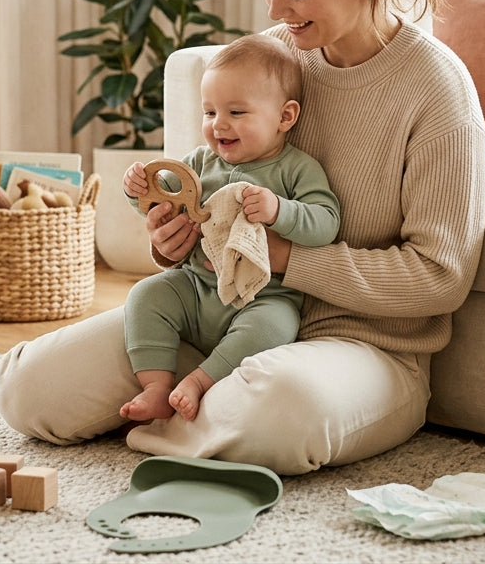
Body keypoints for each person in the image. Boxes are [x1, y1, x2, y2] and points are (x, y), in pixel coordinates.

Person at [0, 0, 485, 476]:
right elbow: (208, 186)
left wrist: (283, 256)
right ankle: (201, 412)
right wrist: (172, 239)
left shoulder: (436, 90)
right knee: (29, 392)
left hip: (362, 349)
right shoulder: (277, 58)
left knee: (282, 410)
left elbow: (439, 279)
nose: (278, 9)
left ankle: (193, 418)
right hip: (220, 314)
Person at [119, 33, 340, 423]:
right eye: (209, 113)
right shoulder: (202, 163)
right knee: (146, 295)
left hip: (260, 295)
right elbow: (162, 202)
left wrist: (279, 211)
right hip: (196, 287)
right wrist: (137, 191)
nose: (219, 125)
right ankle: (155, 385)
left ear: (285, 117)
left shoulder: (296, 168)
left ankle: (201, 381)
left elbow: (326, 223)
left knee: (275, 326)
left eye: (236, 113)